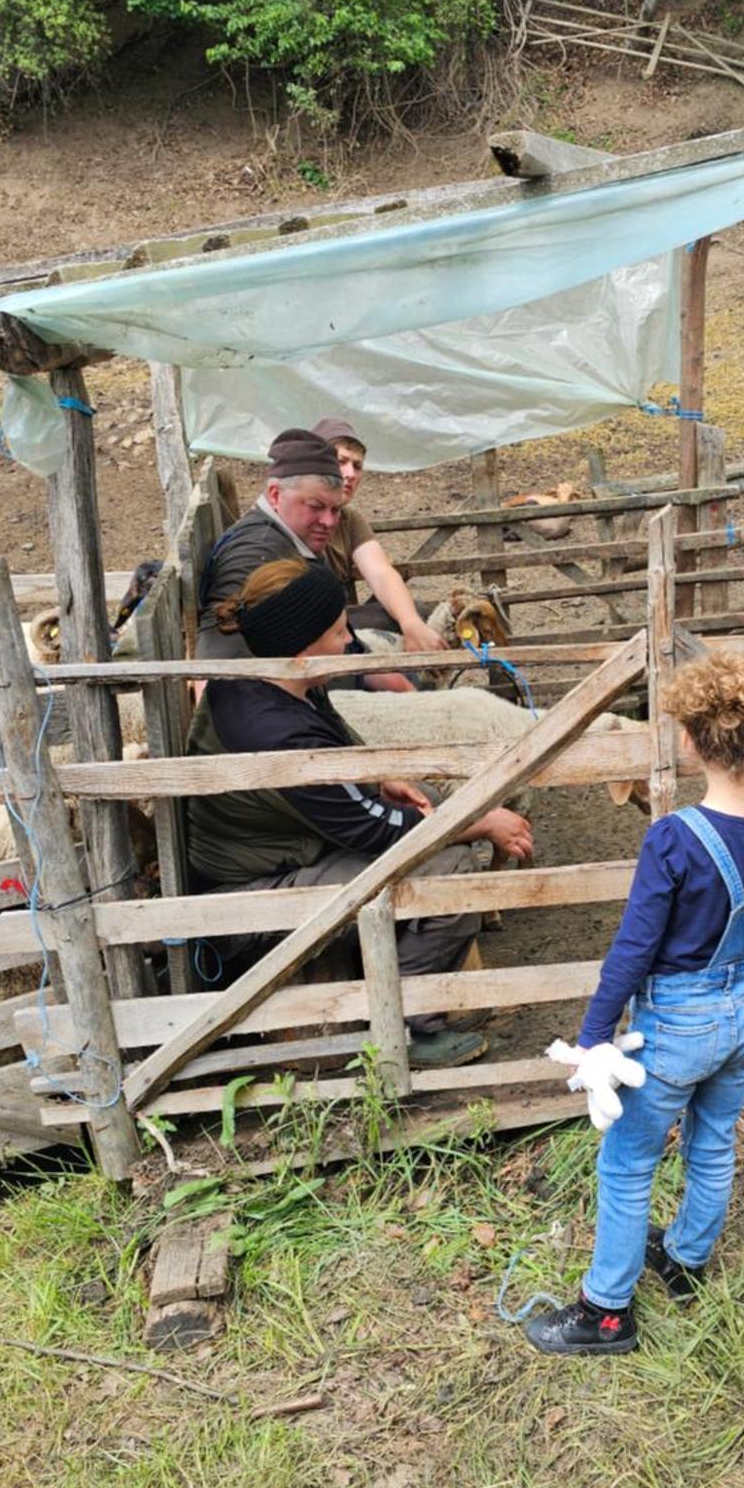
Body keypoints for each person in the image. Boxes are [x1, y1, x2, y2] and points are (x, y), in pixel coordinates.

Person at [524, 653, 744, 1357]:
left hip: (674, 1026)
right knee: (712, 1143)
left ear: (687, 741)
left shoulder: (674, 838)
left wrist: (595, 1037)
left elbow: (634, 947)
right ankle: (686, 1260)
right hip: (740, 1009)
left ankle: (607, 1312)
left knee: (626, 1163)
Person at [185, 557, 534, 1070]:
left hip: (281, 851)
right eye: (337, 629)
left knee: (430, 816)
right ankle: (408, 1031)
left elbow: (336, 756)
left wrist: (377, 776)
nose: (350, 639)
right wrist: (478, 825)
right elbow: (373, 831)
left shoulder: (266, 684)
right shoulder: (279, 736)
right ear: (302, 645)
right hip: (249, 891)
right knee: (450, 873)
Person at [195, 428, 438, 682]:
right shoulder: (255, 553)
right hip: (280, 698)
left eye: (335, 510)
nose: (329, 521)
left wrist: (373, 674)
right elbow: (220, 660)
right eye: (316, 507)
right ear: (276, 495)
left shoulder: (295, 537)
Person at [308, 417, 434, 645]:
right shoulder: (296, 514)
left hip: (336, 623)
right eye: (341, 461)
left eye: (357, 466)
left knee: (414, 614)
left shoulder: (349, 519)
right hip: (300, 630)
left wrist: (410, 622)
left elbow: (380, 572)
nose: (350, 474)